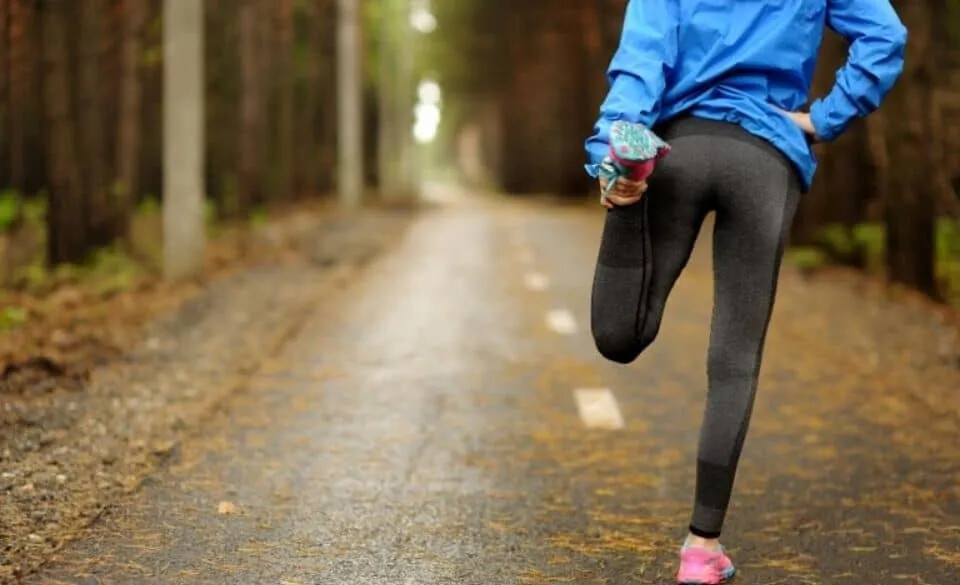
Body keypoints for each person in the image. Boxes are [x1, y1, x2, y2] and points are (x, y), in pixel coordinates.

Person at [584, 1, 906, 583]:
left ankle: (626, 176)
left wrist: (607, 148)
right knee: (735, 358)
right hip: (765, 156)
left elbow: (641, 60)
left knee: (619, 336)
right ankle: (701, 549)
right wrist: (825, 119)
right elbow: (885, 36)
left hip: (680, 148)